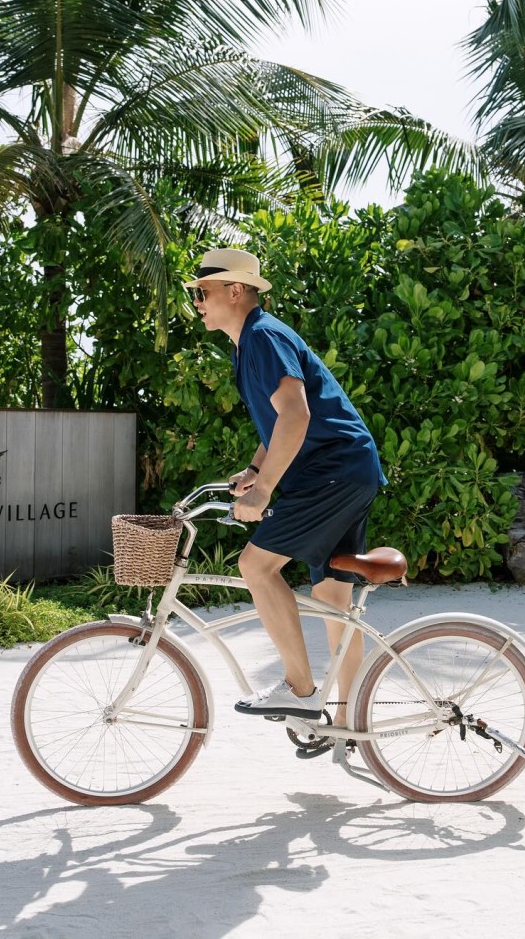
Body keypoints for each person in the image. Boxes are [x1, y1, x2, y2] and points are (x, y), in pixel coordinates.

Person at [185, 247, 386, 729]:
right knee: (334, 599)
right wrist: (256, 470)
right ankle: (351, 721)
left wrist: (265, 490)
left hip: (332, 471)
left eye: (202, 291)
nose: (196, 301)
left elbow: (297, 415)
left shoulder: (262, 337)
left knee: (255, 565)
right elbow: (276, 420)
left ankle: (300, 690)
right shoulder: (250, 342)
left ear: (236, 291)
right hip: (346, 467)